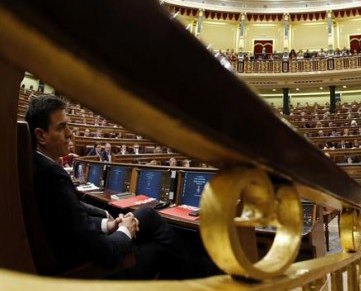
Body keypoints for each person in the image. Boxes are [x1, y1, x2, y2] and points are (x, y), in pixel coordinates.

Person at [25, 96, 218, 279]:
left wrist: (108, 224)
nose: (70, 133)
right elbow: (106, 254)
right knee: (161, 247)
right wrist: (124, 230)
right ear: (41, 135)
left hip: (79, 249)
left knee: (148, 215)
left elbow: (72, 219)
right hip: (91, 270)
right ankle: (206, 273)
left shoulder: (35, 165)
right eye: (62, 127)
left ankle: (200, 267)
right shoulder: (53, 176)